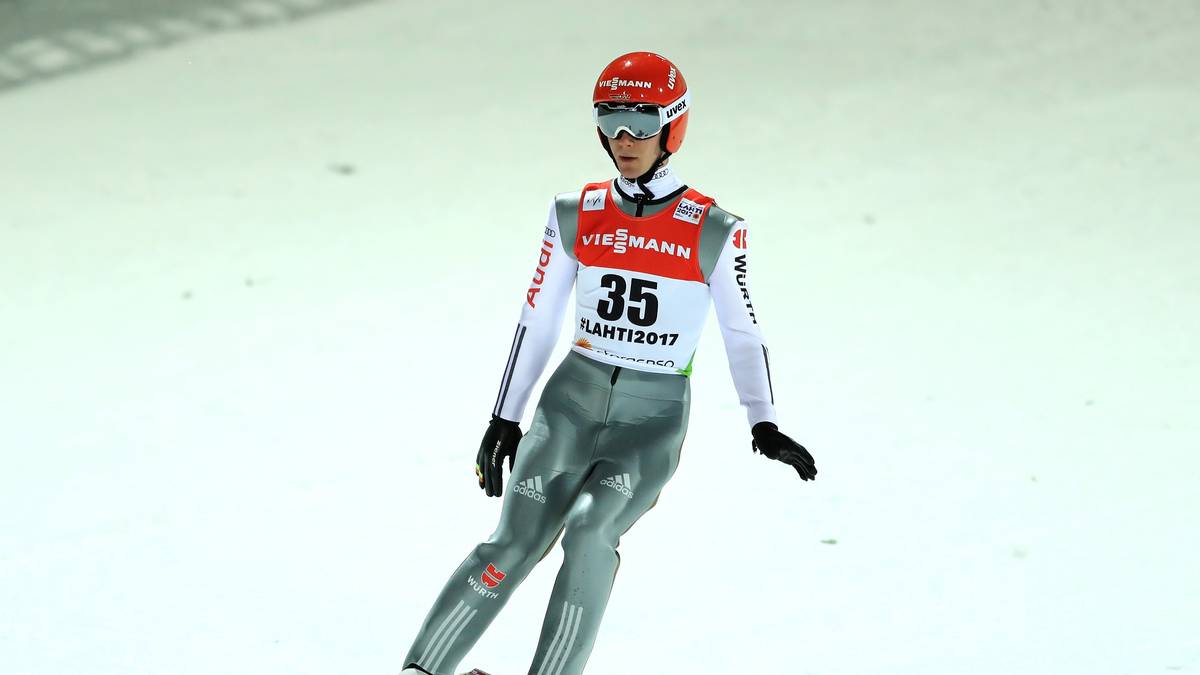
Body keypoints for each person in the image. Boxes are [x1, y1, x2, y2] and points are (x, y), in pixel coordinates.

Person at [400, 51, 817, 675]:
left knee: (592, 533)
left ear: (672, 127)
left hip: (649, 420)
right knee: (513, 540)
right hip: (571, 401)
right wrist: (504, 417)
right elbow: (537, 316)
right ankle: (421, 670)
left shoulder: (713, 228)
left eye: (642, 125)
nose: (624, 139)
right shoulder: (576, 212)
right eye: (611, 120)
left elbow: (740, 330)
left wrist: (763, 420)